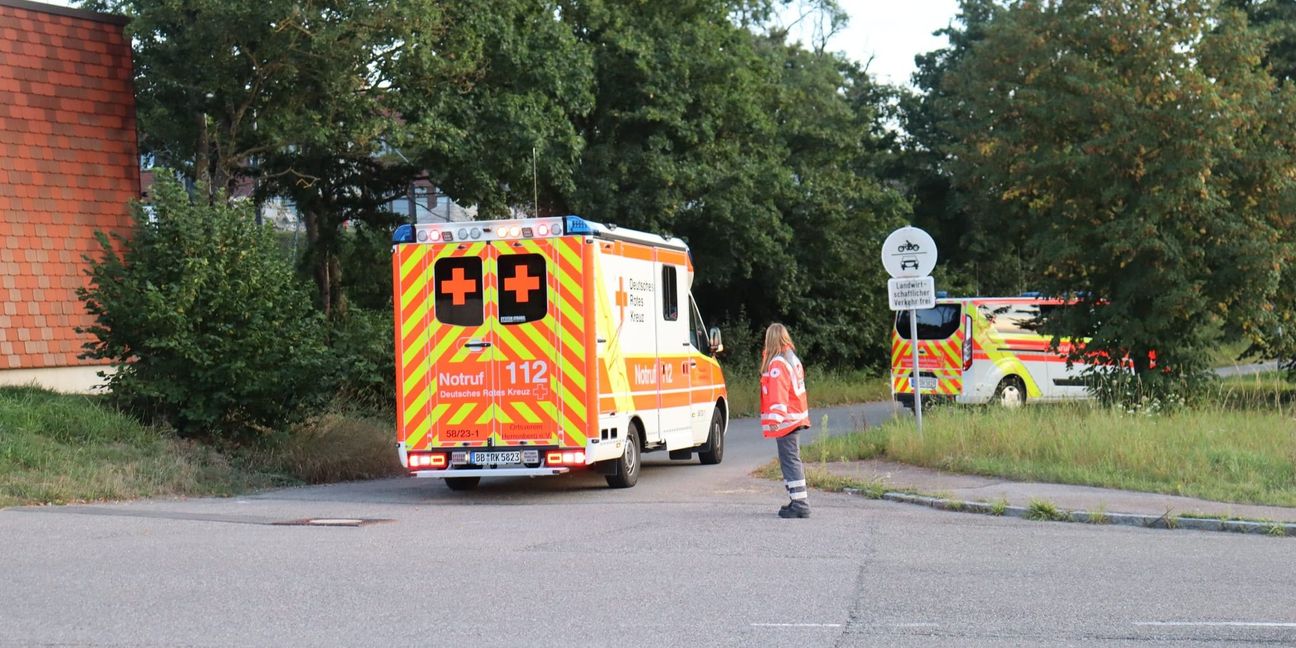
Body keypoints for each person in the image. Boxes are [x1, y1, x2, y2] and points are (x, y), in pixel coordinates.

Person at [759, 323, 811, 518]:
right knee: (789, 460)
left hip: (787, 420)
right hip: (794, 417)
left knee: (790, 460)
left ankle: (800, 504)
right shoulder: (792, 359)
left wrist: (776, 418)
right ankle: (796, 500)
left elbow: (778, 393)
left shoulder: (778, 363)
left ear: (771, 339)